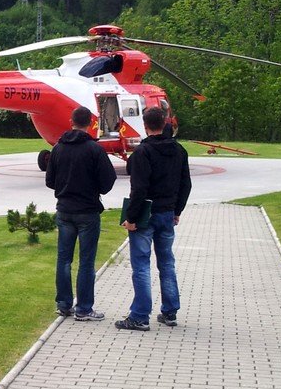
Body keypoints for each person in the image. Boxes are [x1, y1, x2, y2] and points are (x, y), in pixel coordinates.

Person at [116, 106, 192, 331]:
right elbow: (186, 184)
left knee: (141, 264)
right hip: (167, 212)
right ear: (165, 123)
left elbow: (139, 189)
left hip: (146, 213)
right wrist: (177, 210)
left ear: (145, 125)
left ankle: (140, 315)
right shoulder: (179, 151)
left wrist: (131, 217)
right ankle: (170, 310)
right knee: (167, 262)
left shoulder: (143, 152)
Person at [46, 106, 117, 321]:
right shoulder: (94, 150)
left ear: (71, 122)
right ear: (91, 123)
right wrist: (94, 188)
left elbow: (50, 180)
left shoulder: (58, 148)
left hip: (65, 209)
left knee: (64, 259)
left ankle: (64, 303)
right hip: (87, 210)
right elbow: (108, 180)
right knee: (86, 261)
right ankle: (84, 308)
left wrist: (65, 187)